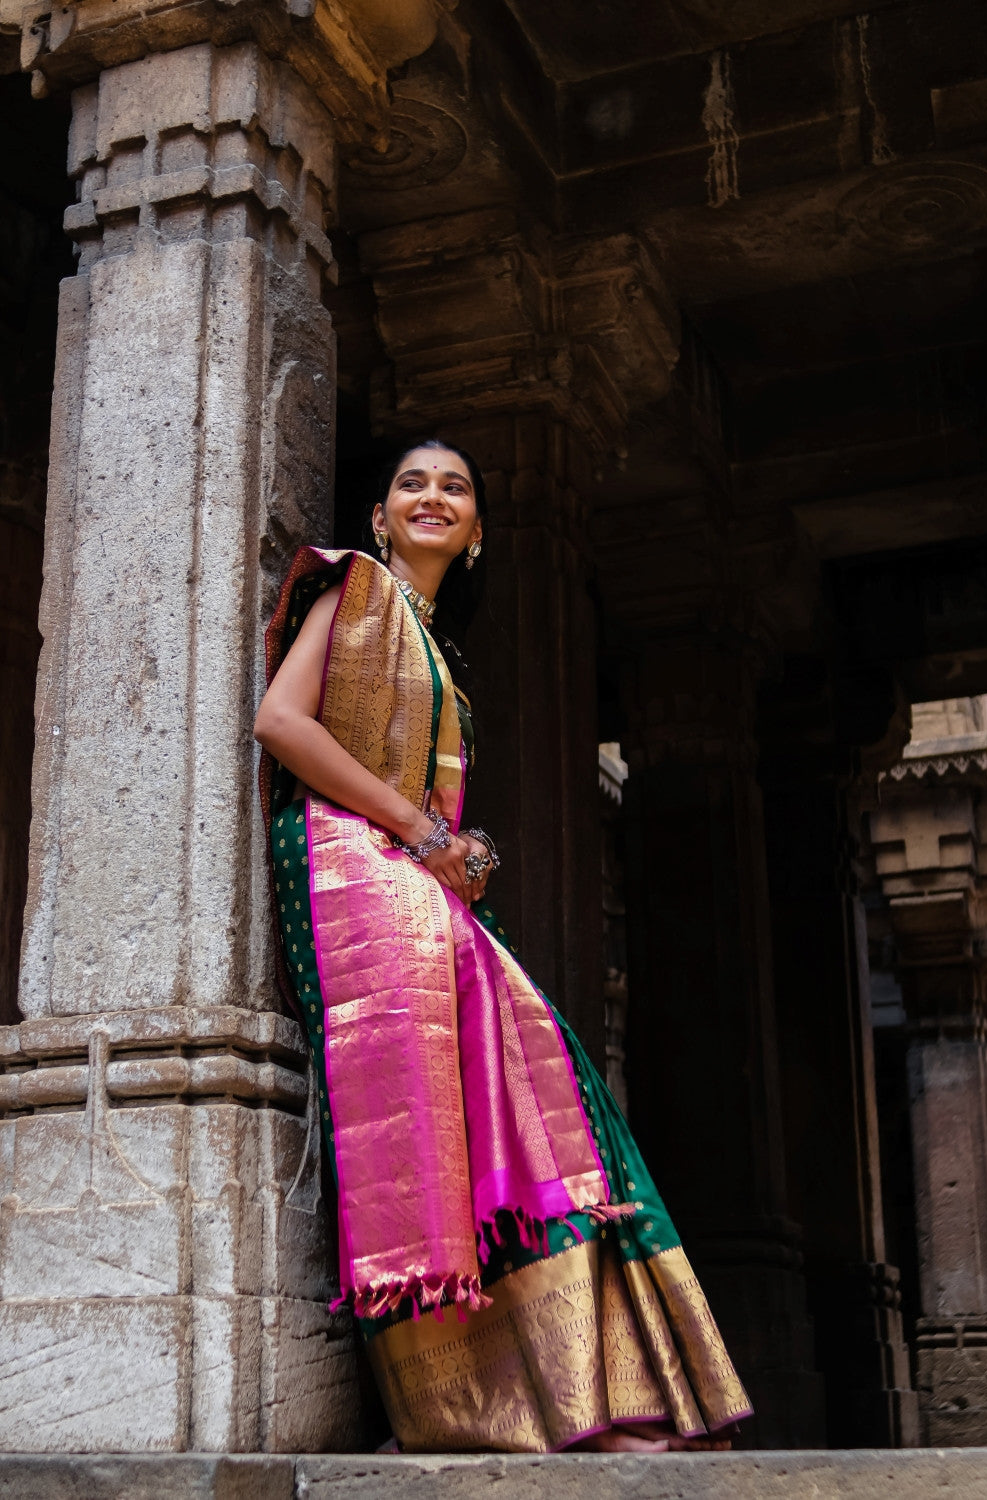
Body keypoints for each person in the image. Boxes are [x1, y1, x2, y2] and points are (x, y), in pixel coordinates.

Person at [254, 439, 752, 1454]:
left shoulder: (438, 654)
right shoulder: (352, 589)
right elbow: (279, 721)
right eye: (411, 484)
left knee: (534, 1082)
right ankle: (462, 1404)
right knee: (444, 1100)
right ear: (382, 518)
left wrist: (450, 843)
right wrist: (427, 833)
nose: (432, 497)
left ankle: (574, 1395)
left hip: (405, 864)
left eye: (456, 488)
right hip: (350, 862)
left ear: (477, 534)